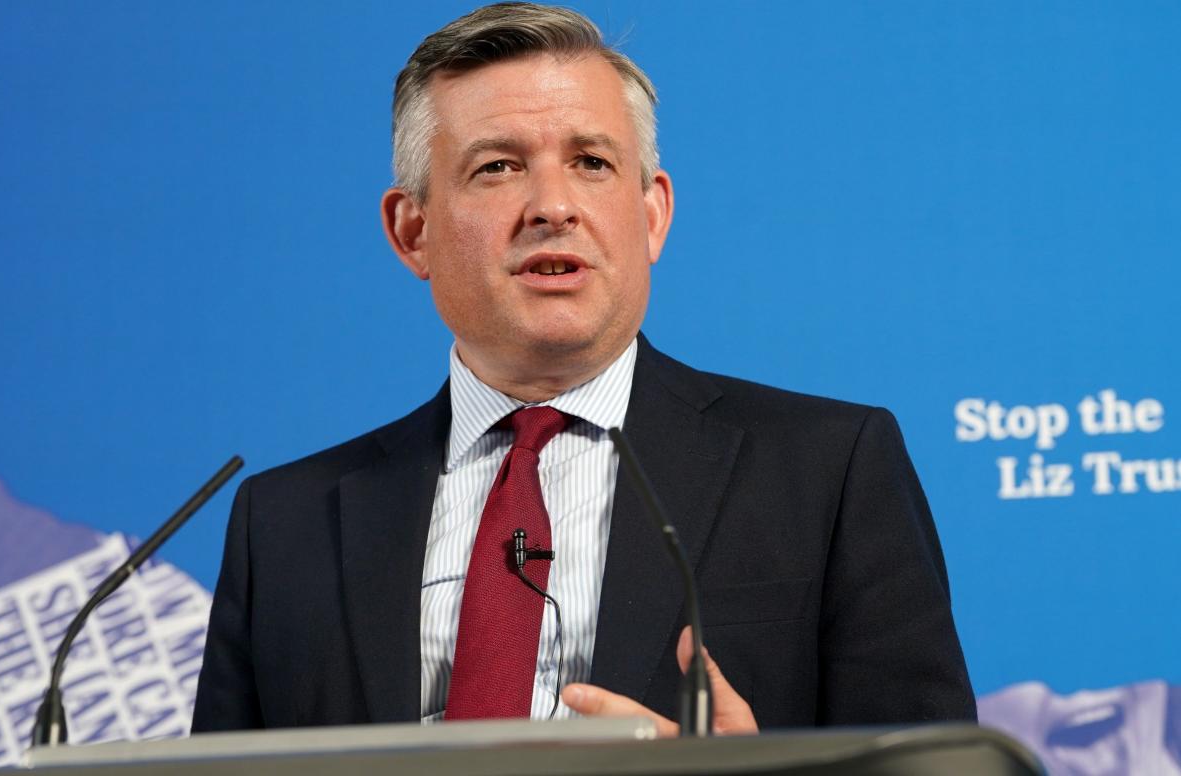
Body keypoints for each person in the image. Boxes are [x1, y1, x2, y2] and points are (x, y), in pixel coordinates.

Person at [192, 2, 976, 734]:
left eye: (592, 162)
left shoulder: (825, 470)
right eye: (496, 167)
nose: (551, 206)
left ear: (652, 215)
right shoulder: (285, 523)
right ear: (412, 232)